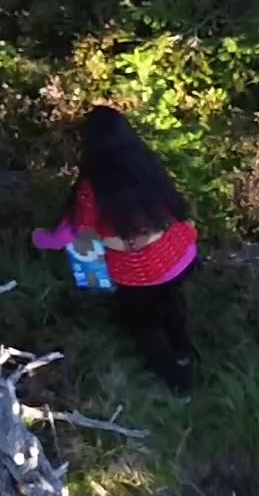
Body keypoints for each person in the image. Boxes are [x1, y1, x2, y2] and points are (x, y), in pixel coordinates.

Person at [33, 104, 200, 392]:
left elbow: (78, 232)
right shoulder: (149, 167)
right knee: (172, 303)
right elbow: (177, 208)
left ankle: (177, 381)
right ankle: (185, 350)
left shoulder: (92, 187)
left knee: (143, 325)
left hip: (132, 273)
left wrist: (41, 238)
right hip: (175, 258)